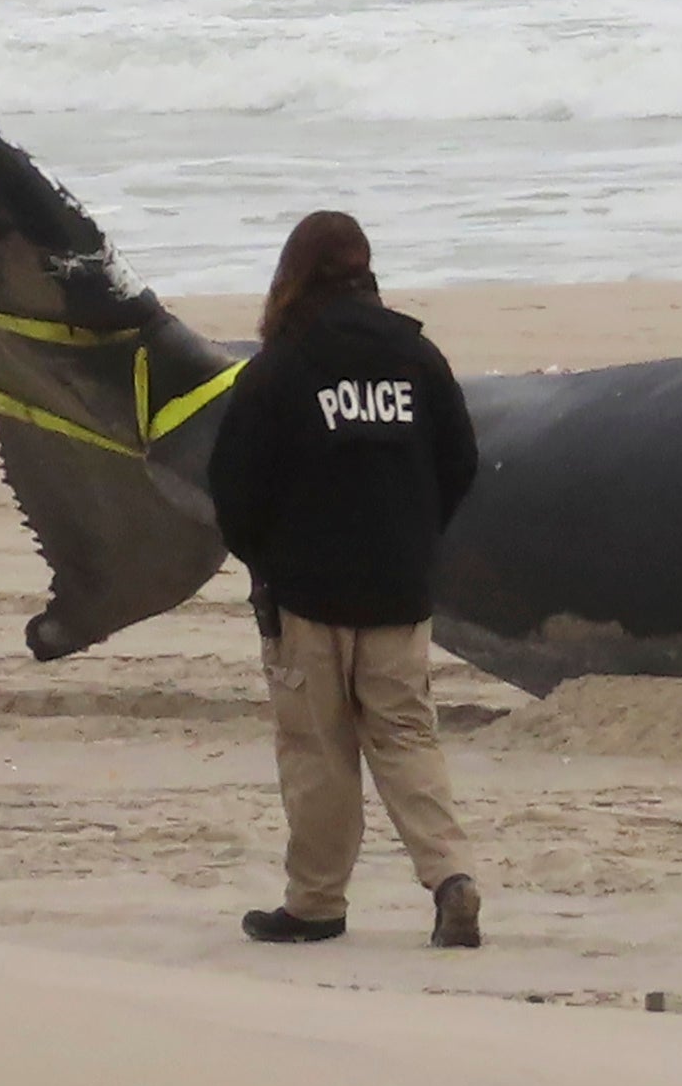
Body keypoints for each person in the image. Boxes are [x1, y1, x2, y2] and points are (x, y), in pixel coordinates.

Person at [195, 207, 484, 949]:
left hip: (308, 595)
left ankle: (317, 904)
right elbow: (459, 461)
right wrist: (416, 535)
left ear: (291, 276)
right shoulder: (418, 357)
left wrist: (267, 562)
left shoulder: (280, 369)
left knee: (318, 751)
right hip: (397, 587)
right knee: (406, 738)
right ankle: (453, 878)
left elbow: (234, 487)